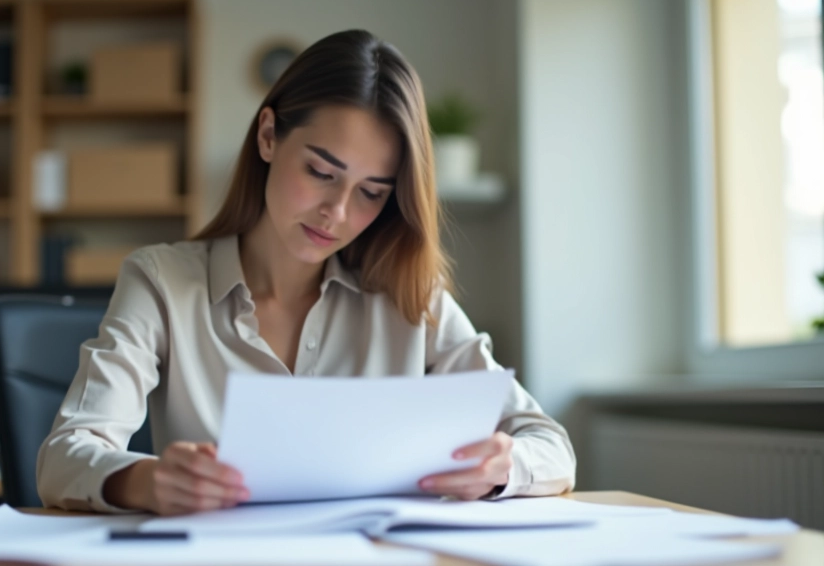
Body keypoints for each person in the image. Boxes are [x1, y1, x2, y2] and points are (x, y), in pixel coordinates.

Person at [36, 29, 575, 515]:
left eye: (371, 193)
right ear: (268, 136)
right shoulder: (160, 283)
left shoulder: (410, 295)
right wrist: (147, 480)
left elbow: (550, 446)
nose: (337, 213)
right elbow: (64, 457)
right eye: (320, 172)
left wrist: (503, 468)